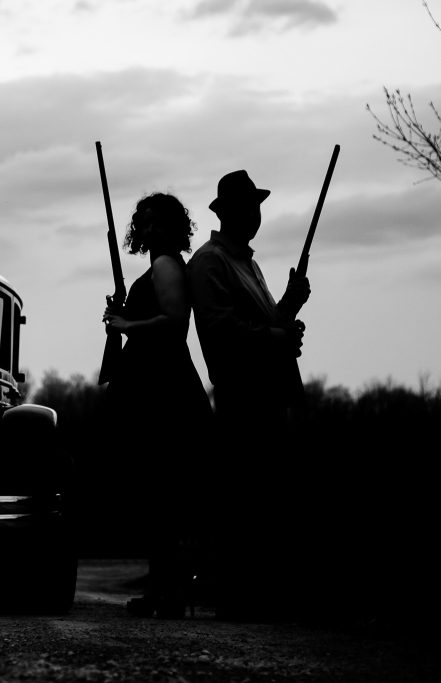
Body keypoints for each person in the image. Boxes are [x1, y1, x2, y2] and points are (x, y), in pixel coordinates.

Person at [184, 169, 311, 620]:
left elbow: (267, 324)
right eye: (248, 207)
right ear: (228, 212)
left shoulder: (249, 264)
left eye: (258, 206)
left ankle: (262, 597)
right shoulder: (209, 262)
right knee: (244, 502)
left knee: (268, 501)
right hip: (241, 399)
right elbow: (221, 333)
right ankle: (239, 600)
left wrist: (290, 306)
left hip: (269, 398)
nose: (256, 215)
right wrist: (279, 337)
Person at [101, 192, 213, 619]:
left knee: (165, 495)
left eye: (157, 222)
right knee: (163, 496)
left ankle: (169, 594)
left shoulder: (165, 265)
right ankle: (164, 592)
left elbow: (173, 322)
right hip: (160, 389)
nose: (149, 230)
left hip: (166, 394)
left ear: (172, 228)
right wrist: (123, 317)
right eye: (144, 222)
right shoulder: (162, 266)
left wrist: (126, 323)